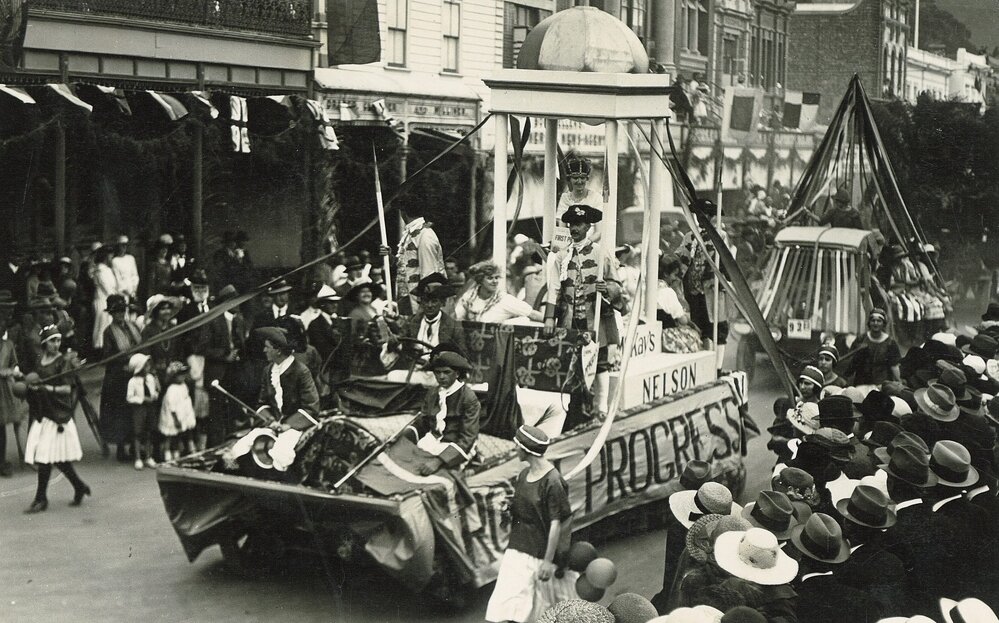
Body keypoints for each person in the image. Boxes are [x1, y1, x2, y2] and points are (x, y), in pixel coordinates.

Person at [485, 425, 574, 623]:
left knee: (540, 610)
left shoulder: (553, 482)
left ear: (527, 450)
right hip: (518, 548)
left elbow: (556, 524)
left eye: (517, 446)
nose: (514, 449)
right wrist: (509, 507)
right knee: (505, 606)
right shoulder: (523, 475)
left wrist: (548, 561)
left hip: (539, 553)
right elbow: (524, 507)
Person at [544, 204, 622, 419]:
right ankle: (577, 406)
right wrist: (550, 318)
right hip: (570, 318)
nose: (574, 228)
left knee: (600, 362)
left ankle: (601, 407)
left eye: (578, 224)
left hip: (595, 317)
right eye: (571, 224)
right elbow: (554, 289)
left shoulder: (600, 253)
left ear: (588, 226)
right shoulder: (561, 256)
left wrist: (605, 289)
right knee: (573, 361)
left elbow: (616, 285)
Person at [224, 327, 320, 473]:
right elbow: (262, 403)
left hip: (294, 427)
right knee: (240, 447)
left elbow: (311, 407)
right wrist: (270, 421)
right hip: (273, 423)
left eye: (267, 347)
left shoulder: (301, 371)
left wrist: (287, 425)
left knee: (281, 453)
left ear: (278, 350)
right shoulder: (268, 370)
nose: (264, 350)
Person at [23, 325, 91, 513]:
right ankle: (79, 486)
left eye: (58, 340)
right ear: (44, 343)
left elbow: (67, 389)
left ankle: (41, 498)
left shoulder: (63, 362)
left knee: (45, 457)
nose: (56, 344)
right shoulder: (40, 361)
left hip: (58, 415)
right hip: (43, 412)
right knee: (56, 459)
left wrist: (47, 389)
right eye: (52, 340)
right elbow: (35, 380)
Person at [404, 350, 480, 475]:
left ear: (457, 373)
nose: (441, 376)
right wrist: (405, 437)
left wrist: (439, 461)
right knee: (403, 460)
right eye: (437, 372)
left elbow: (468, 438)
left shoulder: (468, 397)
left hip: (456, 445)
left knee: (440, 475)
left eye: (446, 372)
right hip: (432, 441)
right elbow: (422, 422)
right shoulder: (433, 392)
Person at [379, 202, 445, 315]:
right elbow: (405, 266)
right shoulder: (411, 233)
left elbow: (429, 273)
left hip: (420, 301)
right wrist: (390, 257)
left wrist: (426, 301)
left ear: (403, 213)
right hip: (407, 297)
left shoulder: (425, 235)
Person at [99, 294, 143, 462]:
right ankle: (121, 448)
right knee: (120, 413)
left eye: (122, 310)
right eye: (116, 312)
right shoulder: (109, 332)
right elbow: (108, 357)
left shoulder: (133, 327)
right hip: (118, 377)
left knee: (136, 411)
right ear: (111, 314)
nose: (120, 314)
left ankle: (134, 446)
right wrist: (125, 360)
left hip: (135, 372)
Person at [386, 274, 467, 364]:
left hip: (440, 373)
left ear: (442, 303)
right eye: (426, 301)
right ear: (421, 302)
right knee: (392, 376)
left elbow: (461, 356)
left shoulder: (454, 326)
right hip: (414, 369)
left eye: (434, 301)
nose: (429, 305)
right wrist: (393, 342)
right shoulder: (412, 322)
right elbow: (400, 341)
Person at [455, 261, 542, 324]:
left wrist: (551, 321)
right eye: (490, 278)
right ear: (480, 280)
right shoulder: (468, 297)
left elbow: (532, 314)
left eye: (496, 278)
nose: (494, 281)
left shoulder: (504, 299)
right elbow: (457, 319)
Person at [657, 255, 703, 354]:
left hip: (654, 331)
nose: (675, 278)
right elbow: (682, 320)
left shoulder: (649, 288)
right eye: (674, 275)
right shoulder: (667, 292)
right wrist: (693, 325)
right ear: (666, 274)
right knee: (693, 336)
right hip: (665, 334)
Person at [844, 308, 902, 385]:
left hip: (882, 384)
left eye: (879, 321)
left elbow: (894, 366)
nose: (875, 323)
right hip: (861, 382)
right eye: (873, 320)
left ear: (883, 323)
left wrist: (898, 382)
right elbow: (851, 362)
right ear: (869, 323)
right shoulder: (861, 339)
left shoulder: (890, 343)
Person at [0, 294, 24, 477]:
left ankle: (2, 462)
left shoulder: (8, 345)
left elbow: (14, 363)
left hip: (3, 389)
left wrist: (13, 370)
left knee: (1, 425)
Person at [125, 353, 160, 470]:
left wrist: (154, 395)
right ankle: (138, 458)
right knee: (138, 433)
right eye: (145, 365)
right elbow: (129, 397)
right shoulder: (133, 381)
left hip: (150, 407)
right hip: (139, 409)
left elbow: (154, 391)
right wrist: (142, 399)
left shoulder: (150, 378)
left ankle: (149, 457)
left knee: (149, 431)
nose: (148, 367)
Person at [159, 361, 196, 461]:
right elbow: (171, 406)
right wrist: (175, 419)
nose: (183, 377)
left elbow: (185, 399)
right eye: (180, 375)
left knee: (178, 435)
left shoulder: (183, 386)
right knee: (169, 436)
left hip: (181, 414)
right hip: (172, 416)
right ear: (174, 376)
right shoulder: (172, 389)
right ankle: (167, 454)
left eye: (183, 375)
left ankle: (176, 453)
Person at [555, 156, 601, 233]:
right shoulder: (565, 198)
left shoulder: (596, 197)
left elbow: (599, 232)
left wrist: (585, 244)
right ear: (570, 179)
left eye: (582, 178)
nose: (579, 181)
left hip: (592, 241)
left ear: (587, 179)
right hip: (571, 240)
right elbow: (562, 228)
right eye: (576, 178)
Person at [90, 245, 118, 351]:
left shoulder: (108, 270)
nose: (111, 258)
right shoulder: (100, 270)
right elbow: (107, 288)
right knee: (102, 325)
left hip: (109, 299)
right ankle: (100, 349)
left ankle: (108, 348)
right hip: (102, 300)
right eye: (110, 256)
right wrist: (115, 296)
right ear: (105, 257)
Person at [110, 235, 139, 302]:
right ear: (118, 246)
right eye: (122, 245)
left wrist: (134, 290)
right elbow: (118, 278)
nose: (124, 247)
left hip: (132, 291)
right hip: (122, 292)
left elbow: (134, 275)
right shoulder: (115, 260)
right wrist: (128, 292)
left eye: (126, 245)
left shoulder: (131, 258)